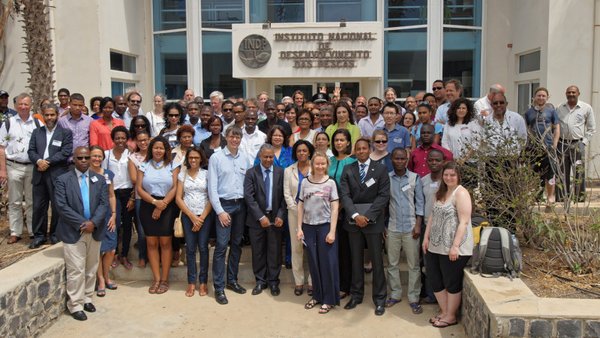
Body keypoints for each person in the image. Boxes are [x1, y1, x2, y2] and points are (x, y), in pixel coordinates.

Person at [54, 146, 109, 321]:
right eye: (81, 158)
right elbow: (61, 207)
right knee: (76, 270)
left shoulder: (99, 179)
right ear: (74, 159)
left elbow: (103, 204)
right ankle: (75, 305)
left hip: (94, 230)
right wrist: (82, 223)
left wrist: (93, 223)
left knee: (91, 267)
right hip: (73, 231)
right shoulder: (63, 180)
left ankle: (86, 298)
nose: (84, 160)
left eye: (87, 157)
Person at [340, 138, 390, 316]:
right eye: (358, 149)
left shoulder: (381, 169)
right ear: (355, 151)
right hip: (353, 222)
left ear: (369, 150)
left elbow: (383, 196)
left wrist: (367, 217)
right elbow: (344, 195)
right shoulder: (348, 169)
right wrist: (355, 215)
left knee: (377, 261)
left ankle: (379, 298)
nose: (361, 151)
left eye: (364, 148)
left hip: (373, 222)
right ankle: (356, 295)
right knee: (355, 260)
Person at [422, 161, 473, 328]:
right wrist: (426, 238)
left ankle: (450, 316)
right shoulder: (441, 192)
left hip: (452, 247)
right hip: (435, 245)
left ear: (458, 176)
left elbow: (464, 222)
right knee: (435, 279)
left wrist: (455, 246)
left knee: (451, 282)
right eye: (446, 174)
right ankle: (444, 312)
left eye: (452, 175)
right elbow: (432, 217)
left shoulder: (461, 193)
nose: (449, 178)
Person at [208, 126, 252, 305]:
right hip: (224, 206)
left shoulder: (245, 158)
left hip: (240, 206)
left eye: (238, 137)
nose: (235, 140)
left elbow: (248, 184)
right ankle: (218, 287)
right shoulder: (216, 157)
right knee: (221, 246)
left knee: (236, 244)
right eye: (232, 136)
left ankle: (232, 280)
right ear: (226, 137)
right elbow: (212, 187)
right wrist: (220, 211)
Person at [297, 152, 340, 314]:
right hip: (308, 227)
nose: (320, 167)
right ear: (312, 165)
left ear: (327, 165)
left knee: (327, 264)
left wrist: (332, 231)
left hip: (325, 227)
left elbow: (335, 208)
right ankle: (317, 296)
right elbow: (300, 205)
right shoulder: (305, 183)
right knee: (314, 263)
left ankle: (329, 299)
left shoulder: (331, 183)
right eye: (317, 164)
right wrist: (299, 228)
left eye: (323, 164)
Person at [136, 136, 180, 295]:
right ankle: (156, 279)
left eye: (161, 148)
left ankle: (165, 280)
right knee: (151, 243)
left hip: (167, 206)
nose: (158, 150)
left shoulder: (173, 165)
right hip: (148, 205)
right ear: (151, 149)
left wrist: (162, 206)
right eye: (155, 148)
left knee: (165, 243)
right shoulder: (144, 165)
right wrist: (155, 203)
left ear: (166, 150)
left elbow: (175, 187)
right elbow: (139, 188)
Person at [28, 103, 73, 248]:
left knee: (57, 206)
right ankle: (39, 236)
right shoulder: (36, 132)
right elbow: (31, 151)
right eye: (46, 115)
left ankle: (55, 234)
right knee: (39, 206)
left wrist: (47, 162)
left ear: (57, 115)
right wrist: (39, 161)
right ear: (42, 115)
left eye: (52, 114)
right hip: (39, 174)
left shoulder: (65, 133)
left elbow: (65, 152)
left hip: (57, 174)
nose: (49, 118)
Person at [385, 148, 424, 314]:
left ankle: (414, 297)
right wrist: (383, 227)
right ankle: (395, 293)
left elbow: (420, 203)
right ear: (392, 159)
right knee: (392, 263)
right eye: (396, 158)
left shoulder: (415, 178)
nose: (400, 161)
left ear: (407, 160)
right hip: (392, 228)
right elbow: (383, 204)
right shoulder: (386, 179)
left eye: (402, 158)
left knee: (414, 265)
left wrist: (418, 225)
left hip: (410, 228)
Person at [244, 144, 286, 296]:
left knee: (274, 252)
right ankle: (260, 281)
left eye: (271, 157)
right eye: (265, 157)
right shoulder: (251, 173)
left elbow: (284, 197)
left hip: (276, 218)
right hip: (257, 219)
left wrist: (281, 215)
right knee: (258, 251)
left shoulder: (281, 172)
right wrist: (261, 217)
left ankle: (274, 281)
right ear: (260, 157)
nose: (268, 159)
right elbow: (249, 197)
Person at [0, 93, 39, 243]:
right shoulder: (9, 123)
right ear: (16, 106)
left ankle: (32, 231)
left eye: (26, 104)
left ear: (31, 106)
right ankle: (15, 232)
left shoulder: (36, 123)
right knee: (14, 201)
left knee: (31, 201)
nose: (23, 107)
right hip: (13, 167)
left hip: (31, 167)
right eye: (20, 104)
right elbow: (2, 148)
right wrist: (2, 171)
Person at [175, 146, 213, 297]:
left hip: (204, 216)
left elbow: (211, 197)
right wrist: (191, 217)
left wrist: (201, 218)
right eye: (191, 158)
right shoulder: (182, 175)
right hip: (187, 215)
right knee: (190, 249)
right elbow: (178, 197)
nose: (193, 160)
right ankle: (191, 282)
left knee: (203, 248)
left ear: (201, 159)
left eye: (196, 158)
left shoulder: (207, 174)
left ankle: (203, 282)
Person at [284, 140, 315, 296]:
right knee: (296, 249)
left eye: (304, 150)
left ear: (309, 152)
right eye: (299, 151)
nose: (302, 153)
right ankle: (298, 281)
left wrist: (308, 210)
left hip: (313, 215)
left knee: (311, 249)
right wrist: (297, 210)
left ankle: (312, 282)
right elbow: (287, 194)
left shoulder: (317, 169)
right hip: (294, 214)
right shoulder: (289, 170)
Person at [556, 85, 596, 202]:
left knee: (579, 172)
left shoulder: (586, 108)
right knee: (563, 172)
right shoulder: (560, 107)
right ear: (566, 93)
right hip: (562, 144)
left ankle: (579, 198)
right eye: (569, 92)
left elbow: (591, 128)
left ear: (578, 93)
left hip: (578, 144)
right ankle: (563, 197)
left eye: (573, 92)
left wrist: (583, 143)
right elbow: (556, 126)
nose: (571, 94)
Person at [328, 128, 355, 299]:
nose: (339, 143)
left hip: (345, 211)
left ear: (347, 142)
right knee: (332, 249)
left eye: (342, 140)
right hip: (328, 211)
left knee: (345, 250)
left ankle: (346, 285)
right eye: (336, 140)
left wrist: (342, 207)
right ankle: (332, 283)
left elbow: (352, 188)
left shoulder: (352, 161)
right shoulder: (329, 160)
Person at [103, 126, 135, 269]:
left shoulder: (131, 154)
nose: (120, 140)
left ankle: (125, 255)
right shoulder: (107, 154)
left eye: (123, 138)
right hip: (113, 193)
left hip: (128, 192)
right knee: (114, 223)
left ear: (127, 139)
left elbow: (136, 177)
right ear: (113, 139)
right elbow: (104, 175)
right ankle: (113, 254)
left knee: (128, 224)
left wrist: (133, 197)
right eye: (117, 138)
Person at [88, 146, 118, 297]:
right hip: (93, 216)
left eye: (99, 156)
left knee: (111, 248)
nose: (97, 159)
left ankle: (106, 275)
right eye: (94, 156)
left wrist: (113, 214)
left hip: (108, 215)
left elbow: (112, 195)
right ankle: (100, 280)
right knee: (98, 250)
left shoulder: (108, 174)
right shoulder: (84, 174)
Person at [524, 87, 560, 205]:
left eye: (543, 96)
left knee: (550, 173)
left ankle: (550, 196)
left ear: (547, 97)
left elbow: (557, 128)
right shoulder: (529, 112)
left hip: (548, 147)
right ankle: (537, 197)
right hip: (533, 148)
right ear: (534, 97)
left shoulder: (551, 111)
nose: (541, 98)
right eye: (539, 95)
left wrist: (554, 144)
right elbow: (526, 129)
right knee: (535, 173)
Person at [127, 131, 150, 268]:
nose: (143, 143)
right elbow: (135, 179)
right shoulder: (133, 158)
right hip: (140, 197)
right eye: (140, 140)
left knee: (156, 230)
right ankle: (143, 255)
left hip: (157, 196)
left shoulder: (156, 154)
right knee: (141, 229)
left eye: (145, 140)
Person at [58, 93, 92, 158]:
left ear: (84, 105)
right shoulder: (61, 121)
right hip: (67, 158)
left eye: (80, 105)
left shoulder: (90, 121)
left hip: (84, 158)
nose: (77, 108)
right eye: (75, 105)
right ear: (69, 104)